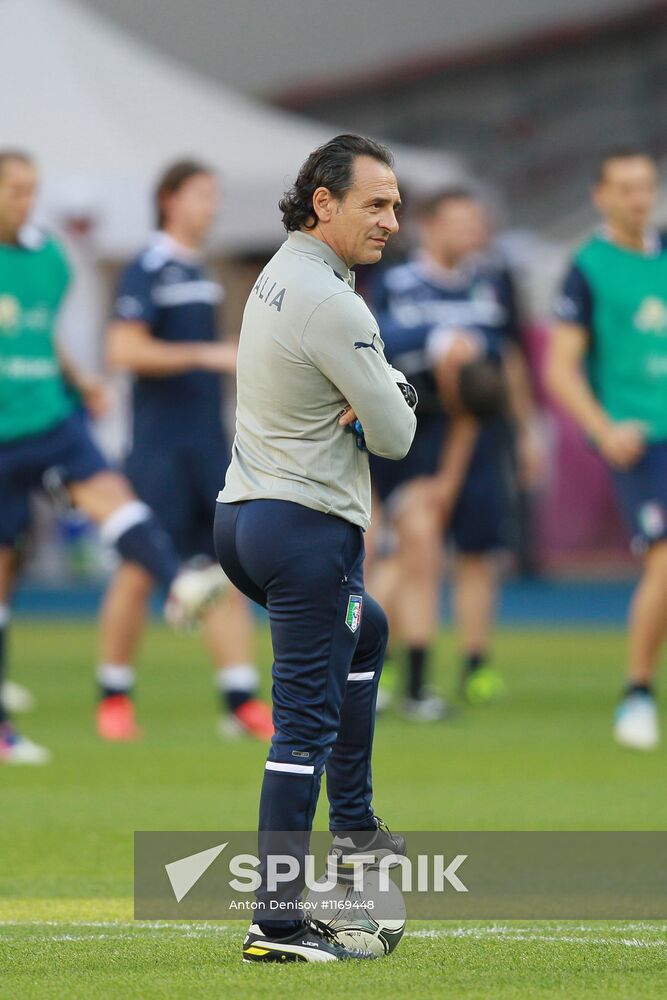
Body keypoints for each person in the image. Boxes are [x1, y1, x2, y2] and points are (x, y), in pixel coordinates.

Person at [215, 134, 417, 962]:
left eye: (395, 205)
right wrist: (394, 388)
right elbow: (398, 436)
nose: (392, 222)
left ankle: (359, 835)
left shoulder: (280, 270)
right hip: (304, 531)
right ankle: (277, 922)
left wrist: (366, 391)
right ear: (322, 202)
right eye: (376, 204)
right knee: (300, 728)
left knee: (365, 634)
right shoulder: (335, 303)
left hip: (242, 520)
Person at [0, 150, 227, 763]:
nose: (26, 201)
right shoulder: (148, 267)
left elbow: (37, 330)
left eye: (32, 190)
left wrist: (80, 379)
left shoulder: (48, 258)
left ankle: (179, 584)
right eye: (15, 191)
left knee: (114, 501)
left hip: (51, 416)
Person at [103, 160, 272, 742]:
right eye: (203, 195)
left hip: (209, 444)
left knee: (228, 567)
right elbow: (124, 349)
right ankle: (114, 695)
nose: (213, 207)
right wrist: (206, 354)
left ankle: (240, 699)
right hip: (160, 448)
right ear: (170, 199)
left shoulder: (200, 270)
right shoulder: (147, 267)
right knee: (139, 569)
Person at [368, 188, 541, 716]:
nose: (472, 232)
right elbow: (374, 344)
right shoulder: (396, 284)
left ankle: (472, 665)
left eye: (477, 222)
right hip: (412, 436)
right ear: (430, 225)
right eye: (460, 222)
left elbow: (505, 361)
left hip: (475, 435)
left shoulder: (488, 285)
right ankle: (381, 663)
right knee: (409, 549)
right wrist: (440, 341)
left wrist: (527, 428)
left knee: (475, 553)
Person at [547, 148, 667, 751]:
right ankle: (638, 691)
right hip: (643, 441)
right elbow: (560, 367)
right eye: (625, 188)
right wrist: (602, 428)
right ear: (600, 195)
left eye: (645, 186)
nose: (638, 199)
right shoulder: (587, 269)